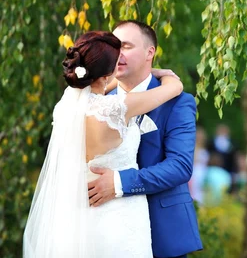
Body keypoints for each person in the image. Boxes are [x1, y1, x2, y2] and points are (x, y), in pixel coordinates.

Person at [24, 31, 183, 257]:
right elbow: (174, 88)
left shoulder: (65, 107)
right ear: (109, 72)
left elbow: (96, 86)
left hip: (77, 217)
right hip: (120, 217)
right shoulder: (118, 108)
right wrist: (161, 73)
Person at [87, 20, 203, 258]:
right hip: (102, 227)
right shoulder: (96, 102)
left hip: (162, 231)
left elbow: (180, 166)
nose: (118, 54)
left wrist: (119, 183)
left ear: (150, 52)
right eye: (114, 47)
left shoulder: (178, 101)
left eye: (126, 46)